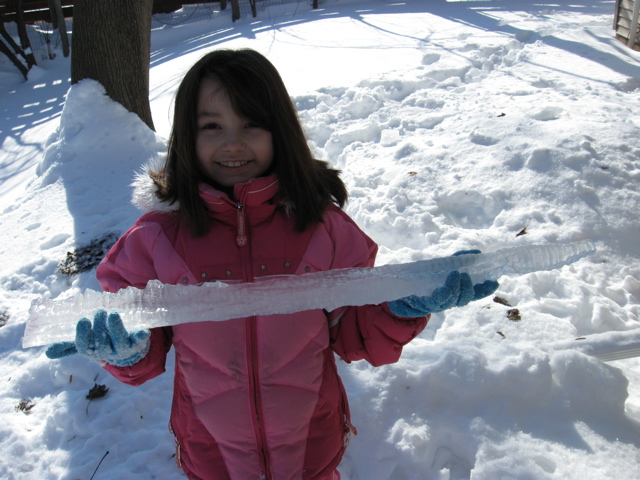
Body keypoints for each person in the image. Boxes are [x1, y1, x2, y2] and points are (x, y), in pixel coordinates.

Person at [46, 49, 498, 480]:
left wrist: (401, 307)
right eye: (211, 126)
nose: (233, 143)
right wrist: (126, 348)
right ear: (187, 134)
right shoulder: (156, 240)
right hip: (211, 448)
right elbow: (141, 340)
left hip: (311, 444)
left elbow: (355, 331)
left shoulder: (322, 228)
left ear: (279, 130)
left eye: (252, 125)